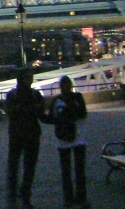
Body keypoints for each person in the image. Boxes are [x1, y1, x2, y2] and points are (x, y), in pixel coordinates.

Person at [44, 76, 89, 209]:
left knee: (71, 170)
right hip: (72, 137)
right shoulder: (71, 98)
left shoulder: (59, 100)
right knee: (73, 170)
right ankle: (77, 198)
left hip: (70, 138)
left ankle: (72, 199)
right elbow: (82, 114)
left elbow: (52, 118)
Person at [6, 68, 45, 208]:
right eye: (27, 77)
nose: (30, 80)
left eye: (31, 77)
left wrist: (23, 109)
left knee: (28, 166)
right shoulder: (17, 95)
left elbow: (39, 111)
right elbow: (11, 111)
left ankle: (23, 192)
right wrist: (31, 110)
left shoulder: (29, 95)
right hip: (21, 134)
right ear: (21, 78)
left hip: (26, 133)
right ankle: (15, 192)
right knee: (15, 164)